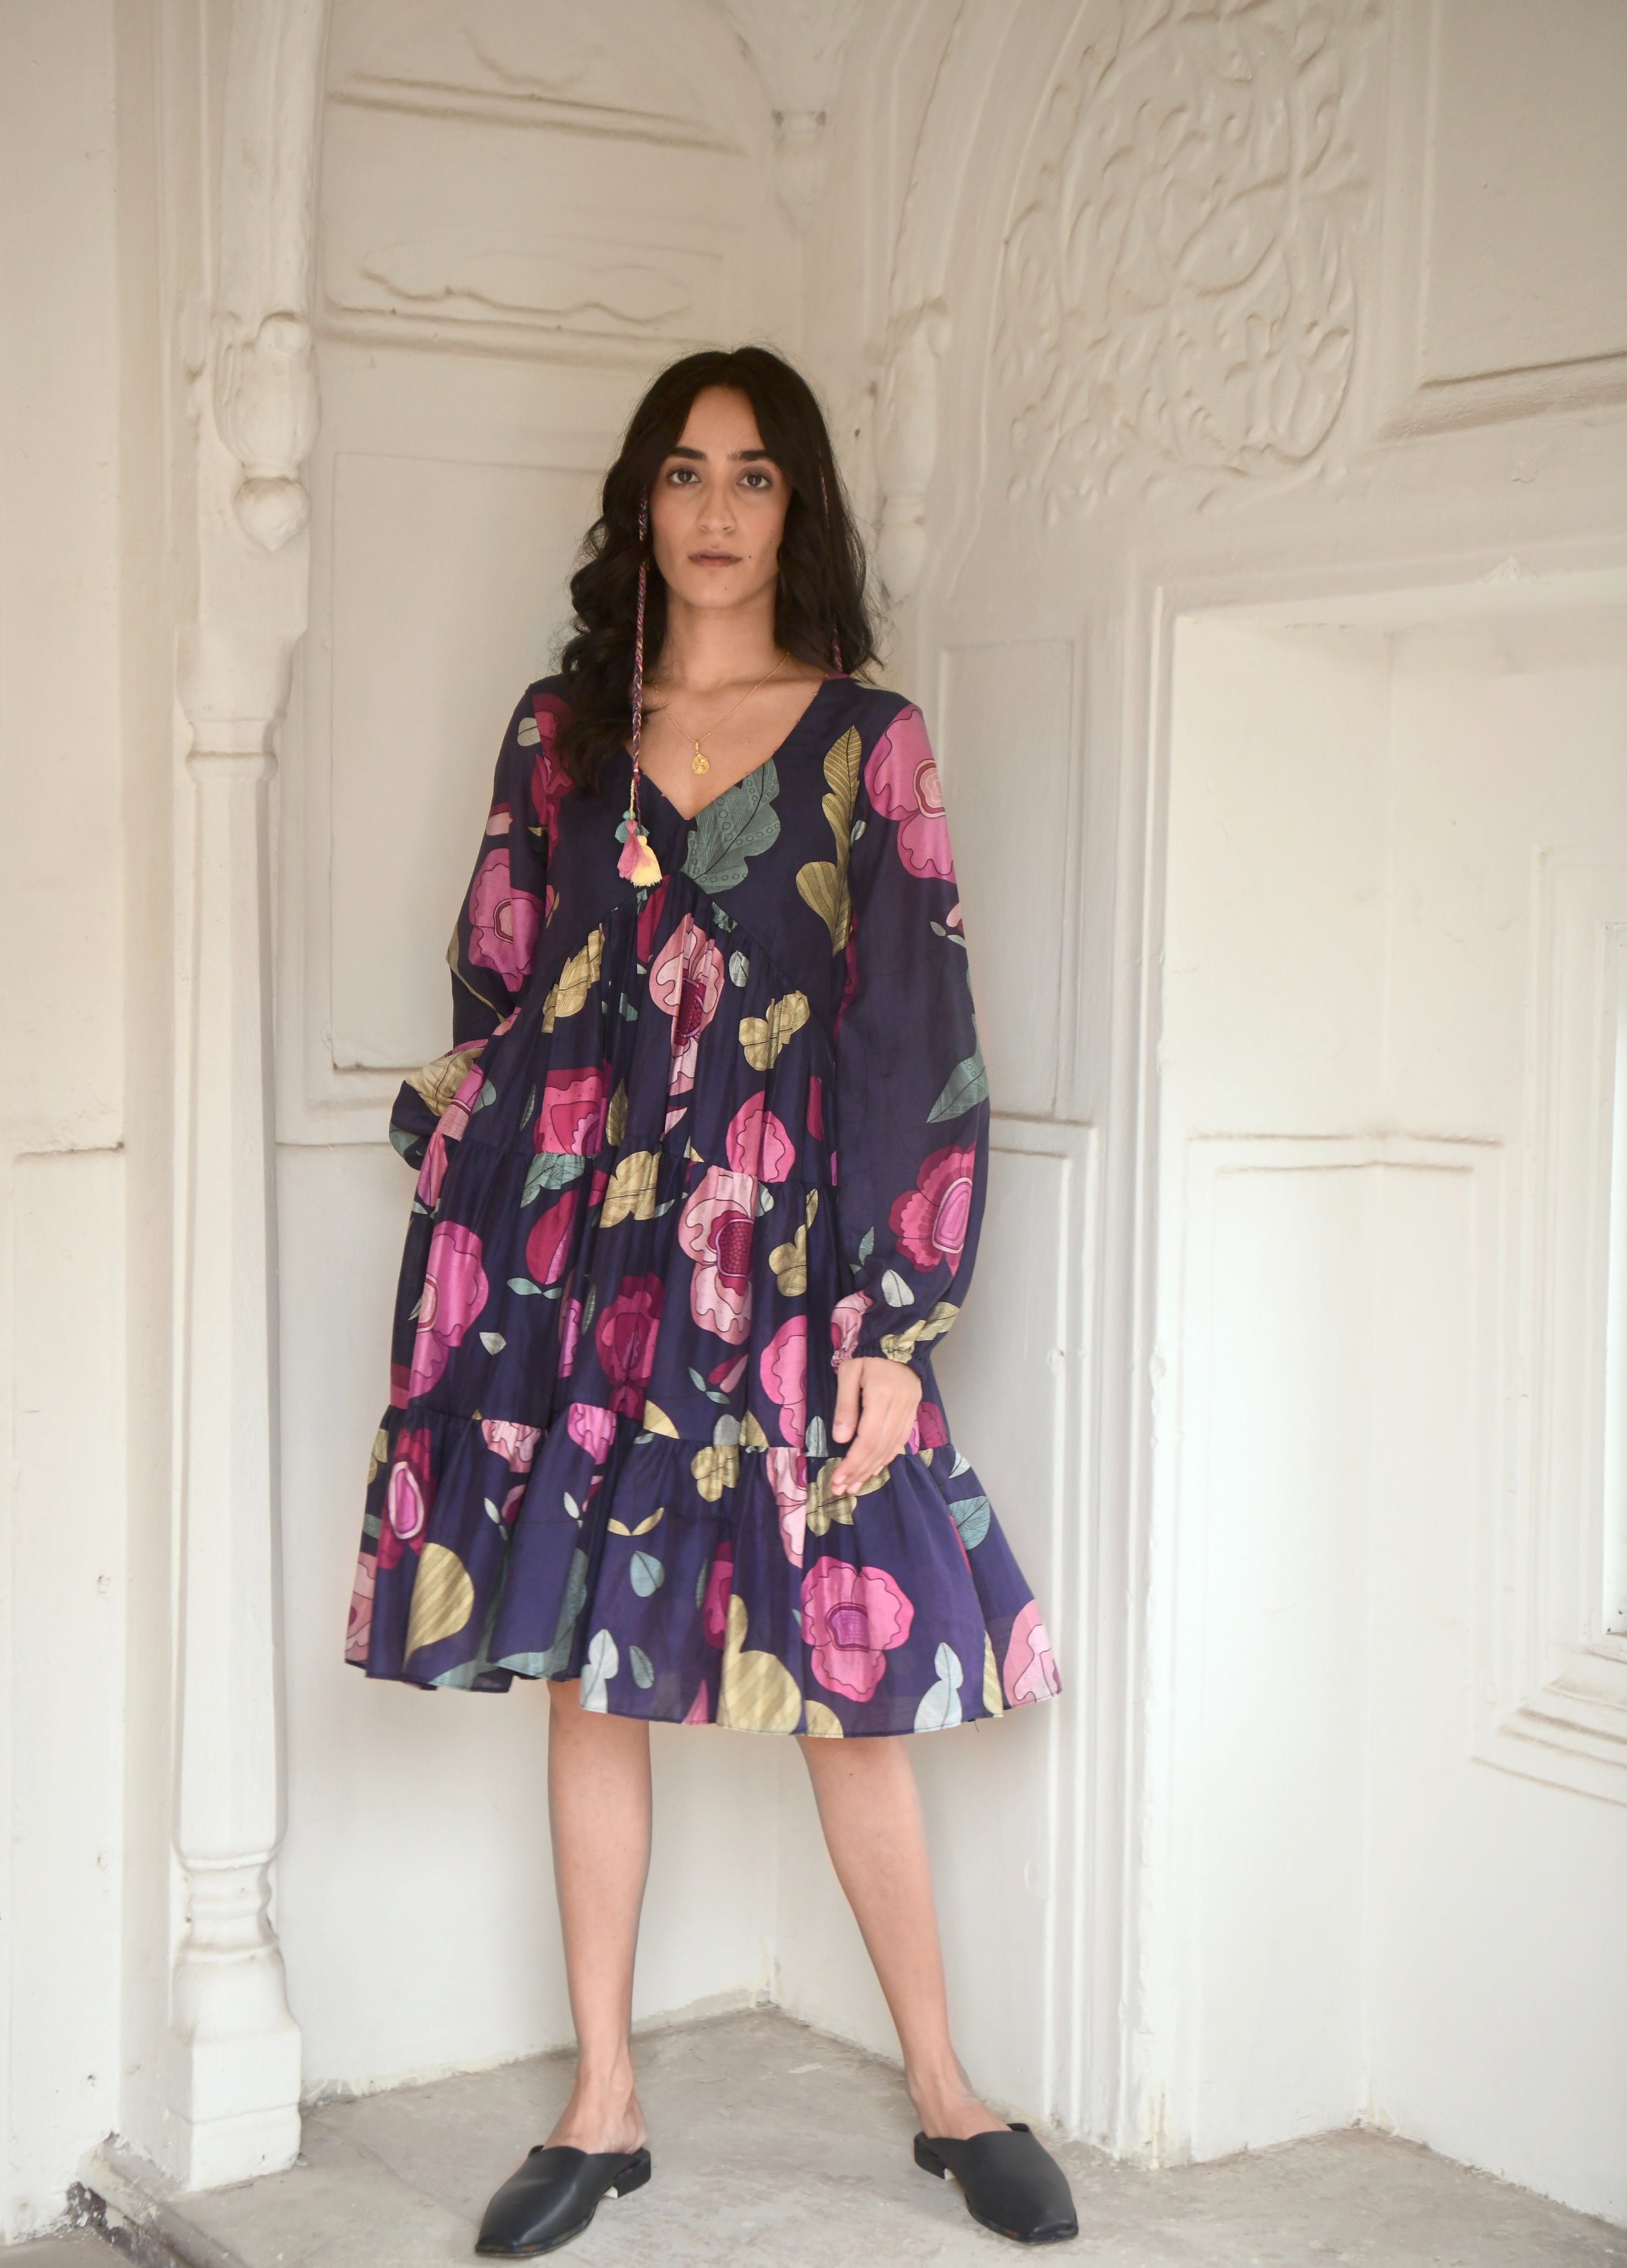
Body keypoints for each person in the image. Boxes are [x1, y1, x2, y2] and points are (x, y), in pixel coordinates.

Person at [346, 346, 1075, 2256]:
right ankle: (602, 2102)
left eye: (754, 475)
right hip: (587, 1269)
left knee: (853, 1678)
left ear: (795, 507)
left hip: (795, 1267)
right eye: (685, 472)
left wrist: (897, 1324)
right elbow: (500, 978)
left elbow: (917, 1023)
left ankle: (945, 2090)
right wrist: (486, 1226)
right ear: (642, 504)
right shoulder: (559, 734)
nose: (718, 508)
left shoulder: (870, 740)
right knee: (588, 1670)